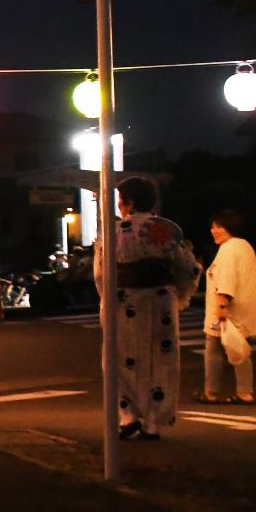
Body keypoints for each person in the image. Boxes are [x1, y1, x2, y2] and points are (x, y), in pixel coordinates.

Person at [96, 176, 201, 442]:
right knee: (160, 360)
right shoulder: (165, 230)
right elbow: (188, 268)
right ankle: (153, 421)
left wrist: (106, 297)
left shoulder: (114, 232)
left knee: (119, 360)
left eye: (120, 201)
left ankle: (128, 414)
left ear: (128, 202)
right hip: (160, 302)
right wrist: (180, 293)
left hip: (123, 301)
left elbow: (100, 273)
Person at [200, 209, 256, 405]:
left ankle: (211, 392)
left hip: (229, 309)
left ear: (229, 227)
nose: (213, 230)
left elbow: (227, 279)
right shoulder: (244, 246)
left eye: (217, 226)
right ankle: (245, 392)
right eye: (212, 226)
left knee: (214, 347)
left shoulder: (229, 248)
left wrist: (222, 306)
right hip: (243, 308)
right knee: (239, 348)